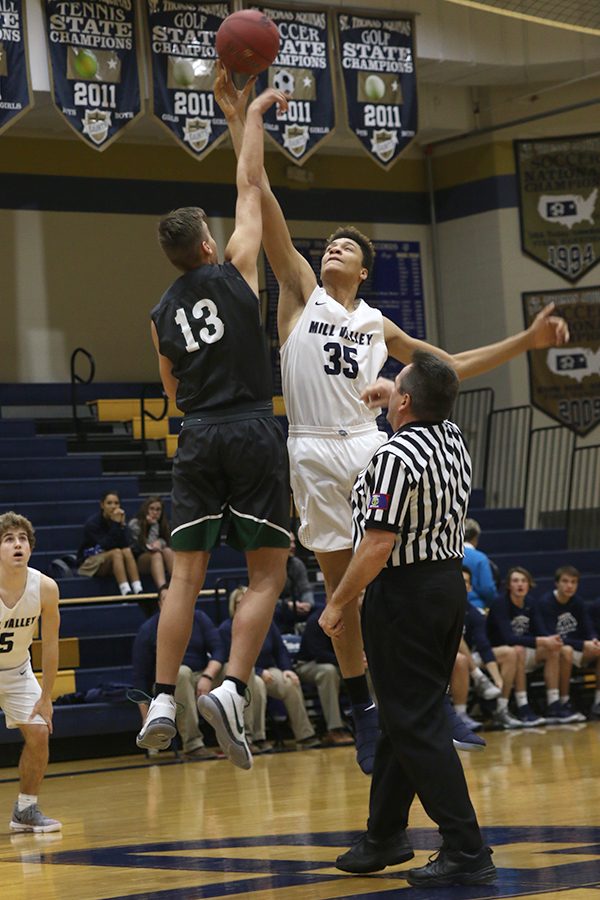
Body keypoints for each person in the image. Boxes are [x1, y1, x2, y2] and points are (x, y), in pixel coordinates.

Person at [216, 68, 570, 774]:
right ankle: (362, 705)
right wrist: (239, 117)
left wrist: (526, 344)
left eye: (348, 246)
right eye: (329, 245)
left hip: (376, 449)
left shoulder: (379, 324)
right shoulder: (300, 294)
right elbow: (257, 193)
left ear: (366, 270)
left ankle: (431, 698)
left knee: (398, 586)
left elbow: (449, 366)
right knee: (340, 593)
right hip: (314, 452)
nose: (333, 248)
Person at [136, 84, 291, 771]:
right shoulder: (237, 269)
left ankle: (165, 696)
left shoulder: (159, 313)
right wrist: (248, 117)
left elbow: (170, 392)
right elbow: (249, 186)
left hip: (196, 434)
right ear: (206, 241)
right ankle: (230, 685)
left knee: (184, 581)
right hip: (252, 428)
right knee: (265, 577)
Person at [320, 353, 495, 886]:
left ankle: (466, 848)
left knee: (416, 722)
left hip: (404, 594)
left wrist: (338, 603)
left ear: (405, 402)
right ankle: (384, 835)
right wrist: (391, 398)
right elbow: (427, 402)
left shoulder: (392, 458)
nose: (386, 391)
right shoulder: (452, 440)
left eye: (394, 387)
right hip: (446, 587)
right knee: (404, 713)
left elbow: (376, 545)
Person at [0, 511, 61, 833]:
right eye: (9, 539)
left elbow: (50, 645)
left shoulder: (46, 588)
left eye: (22, 538)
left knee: (39, 732)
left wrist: (47, 695)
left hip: (17, 670)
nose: (17, 544)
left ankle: (25, 810)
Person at [220, 586, 320, 751]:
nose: (243, 605)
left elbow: (280, 650)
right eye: (239, 603)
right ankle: (256, 737)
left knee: (290, 682)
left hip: (269, 669)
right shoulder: (226, 628)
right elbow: (230, 659)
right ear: (233, 606)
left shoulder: (266, 622)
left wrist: (287, 669)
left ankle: (305, 735)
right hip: (245, 674)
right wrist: (259, 671)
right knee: (256, 682)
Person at [132, 584, 225, 758]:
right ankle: (193, 745)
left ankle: (249, 737)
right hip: (167, 685)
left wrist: (207, 675)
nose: (174, 604)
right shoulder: (148, 629)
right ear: (160, 604)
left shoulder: (199, 618)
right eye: (168, 600)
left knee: (234, 673)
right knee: (181, 673)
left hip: (202, 675)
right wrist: (146, 717)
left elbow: (219, 650)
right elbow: (140, 678)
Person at [487, 567, 579, 725]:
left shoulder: (530, 602)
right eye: (515, 581)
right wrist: (542, 641)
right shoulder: (500, 603)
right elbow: (508, 638)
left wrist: (551, 640)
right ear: (509, 585)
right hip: (497, 652)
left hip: (521, 650)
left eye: (523, 581)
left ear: (529, 584)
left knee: (553, 649)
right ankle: (523, 706)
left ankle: (554, 704)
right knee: (518, 649)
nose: (520, 585)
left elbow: (541, 631)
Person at [539, 566, 600, 722]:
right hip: (556, 651)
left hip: (576, 648)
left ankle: (598, 701)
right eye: (565, 581)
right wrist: (583, 645)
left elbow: (588, 626)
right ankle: (563, 701)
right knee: (565, 650)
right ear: (556, 583)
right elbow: (553, 638)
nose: (569, 586)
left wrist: (593, 639)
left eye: (573, 582)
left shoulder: (578, 602)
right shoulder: (546, 603)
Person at [296, 607, 355, 746]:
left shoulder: (354, 615)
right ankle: (334, 729)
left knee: (368, 667)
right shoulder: (316, 619)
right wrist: (350, 661)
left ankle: (376, 722)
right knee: (328, 672)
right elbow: (318, 653)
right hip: (309, 664)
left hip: (339, 664)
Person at [77, 491, 143, 596]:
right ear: (102, 505)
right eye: (109, 503)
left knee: (126, 551)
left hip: (111, 559)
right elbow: (104, 545)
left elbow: (126, 544)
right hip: (90, 561)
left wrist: (122, 526)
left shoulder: (119, 521)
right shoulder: (92, 523)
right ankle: (125, 590)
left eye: (116, 503)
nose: (113, 506)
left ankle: (138, 588)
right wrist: (116, 525)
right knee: (116, 552)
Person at [128, 497, 174, 593]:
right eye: (152, 509)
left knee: (168, 551)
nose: (155, 512)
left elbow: (169, 543)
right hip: (138, 559)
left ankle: (178, 584)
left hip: (160, 558)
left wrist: (161, 542)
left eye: (158, 510)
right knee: (156, 555)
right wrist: (154, 526)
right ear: (145, 510)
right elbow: (148, 547)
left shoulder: (164, 524)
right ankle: (163, 589)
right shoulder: (135, 524)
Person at [273, 533, 315, 633]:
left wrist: (308, 604)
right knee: (274, 612)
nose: (293, 546)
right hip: (278, 607)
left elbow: (305, 588)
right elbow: (266, 598)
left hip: (297, 605)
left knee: (319, 611)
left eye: (293, 542)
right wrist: (288, 604)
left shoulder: (297, 564)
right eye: (289, 542)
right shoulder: (269, 565)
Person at [463, 520, 497, 610]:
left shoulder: (449, 556)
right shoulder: (480, 558)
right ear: (475, 538)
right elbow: (487, 589)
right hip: (475, 608)